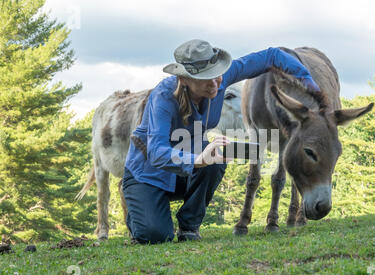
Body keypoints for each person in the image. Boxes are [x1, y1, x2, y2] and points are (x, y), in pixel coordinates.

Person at [122, 39, 321, 244]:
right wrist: (198, 160)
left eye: (217, 74)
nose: (216, 82)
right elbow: (156, 151)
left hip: (183, 172)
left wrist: (308, 83)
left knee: (217, 157)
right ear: (184, 79)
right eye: (206, 78)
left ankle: (189, 226)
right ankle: (140, 211)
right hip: (147, 175)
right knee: (156, 236)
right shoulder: (163, 97)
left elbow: (272, 56)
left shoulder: (220, 79)